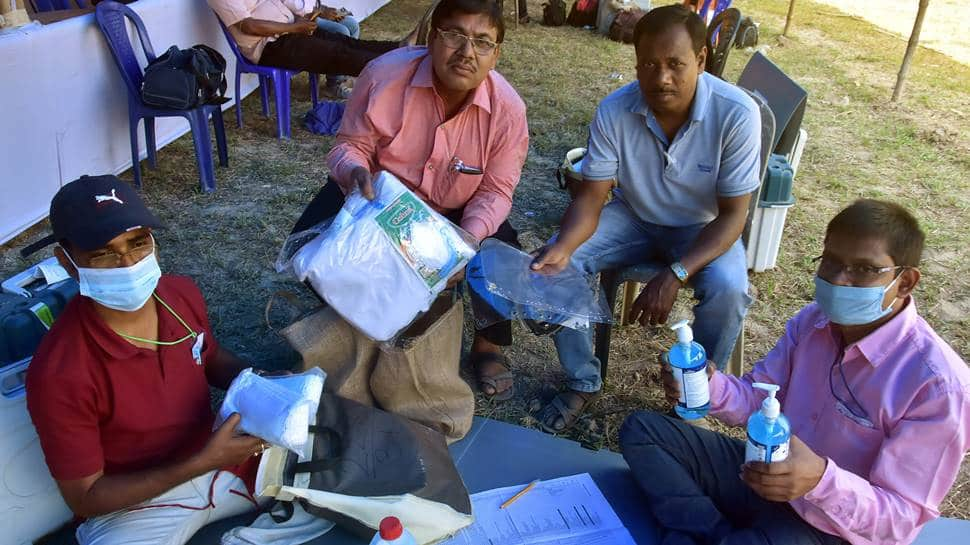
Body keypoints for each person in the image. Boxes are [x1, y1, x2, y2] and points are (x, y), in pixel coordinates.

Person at [620, 199, 970, 545]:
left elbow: (899, 520)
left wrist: (820, 480)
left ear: (905, 281)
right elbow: (759, 397)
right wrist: (706, 387)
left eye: (863, 269)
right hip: (766, 476)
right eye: (831, 262)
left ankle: (704, 532)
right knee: (643, 431)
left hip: (834, 527)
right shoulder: (813, 321)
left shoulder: (939, 387)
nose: (838, 281)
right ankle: (714, 534)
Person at [528, 4, 761, 432]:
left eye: (676, 64)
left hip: (703, 226)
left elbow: (733, 217)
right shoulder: (615, 111)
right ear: (636, 63)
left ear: (702, 60)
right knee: (559, 265)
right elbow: (592, 198)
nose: (661, 78)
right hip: (633, 217)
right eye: (649, 65)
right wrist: (563, 246)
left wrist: (674, 273)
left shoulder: (737, 113)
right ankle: (583, 380)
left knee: (729, 288)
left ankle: (695, 397)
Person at [290, 0, 528, 401]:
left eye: (482, 41)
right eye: (454, 35)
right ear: (432, 38)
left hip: (456, 212)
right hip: (380, 201)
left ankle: (489, 344)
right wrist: (353, 173)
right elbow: (349, 146)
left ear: (496, 53)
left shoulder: (507, 110)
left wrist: (464, 243)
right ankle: (364, 313)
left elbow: (496, 191)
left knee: (500, 252)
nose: (466, 52)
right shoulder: (385, 74)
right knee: (306, 244)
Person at [26, 175, 269, 545]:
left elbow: (211, 356)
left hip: (221, 462)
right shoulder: (60, 372)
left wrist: (260, 380)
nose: (128, 264)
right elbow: (86, 496)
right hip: (133, 506)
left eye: (138, 243)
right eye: (103, 253)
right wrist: (200, 462)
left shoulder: (179, 295)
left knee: (337, 459)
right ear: (68, 262)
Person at [208, 0, 406, 98]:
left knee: (344, 42)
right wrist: (293, 27)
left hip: (291, 31)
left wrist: (307, 17)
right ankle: (395, 69)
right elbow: (248, 26)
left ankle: (401, 48)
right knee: (338, 54)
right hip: (270, 46)